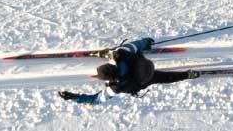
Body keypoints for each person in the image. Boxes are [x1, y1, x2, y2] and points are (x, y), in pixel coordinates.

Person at [59, 39, 201, 103]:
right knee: (162, 77)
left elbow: (96, 99)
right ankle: (106, 52)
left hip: (145, 78)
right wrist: (146, 42)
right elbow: (135, 46)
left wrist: (74, 97)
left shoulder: (115, 87)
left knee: (163, 78)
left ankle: (187, 74)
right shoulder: (121, 55)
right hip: (144, 63)